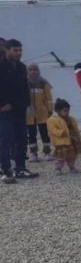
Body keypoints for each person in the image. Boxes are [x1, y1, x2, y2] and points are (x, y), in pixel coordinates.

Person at [0, 39, 38, 183]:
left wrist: (27, 103)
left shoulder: (22, 67)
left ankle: (20, 168)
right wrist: (2, 104)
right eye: (15, 50)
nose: (18, 53)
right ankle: (5, 170)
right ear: (7, 50)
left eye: (20, 50)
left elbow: (24, 87)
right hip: (5, 110)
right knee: (6, 140)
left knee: (22, 139)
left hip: (19, 109)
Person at [26, 63, 54, 162]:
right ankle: (33, 153)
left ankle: (47, 152)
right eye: (30, 69)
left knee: (45, 133)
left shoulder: (43, 83)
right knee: (31, 134)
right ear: (27, 71)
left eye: (35, 69)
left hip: (43, 112)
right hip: (29, 113)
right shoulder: (24, 82)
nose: (33, 72)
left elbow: (49, 98)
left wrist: (50, 109)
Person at [47, 98, 81, 174]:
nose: (67, 112)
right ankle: (58, 168)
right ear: (57, 111)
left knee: (72, 155)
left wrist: (77, 137)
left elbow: (75, 128)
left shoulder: (71, 119)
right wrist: (61, 132)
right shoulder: (52, 120)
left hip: (71, 140)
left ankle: (71, 166)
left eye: (68, 110)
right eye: (64, 111)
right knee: (61, 157)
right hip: (61, 142)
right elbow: (52, 130)